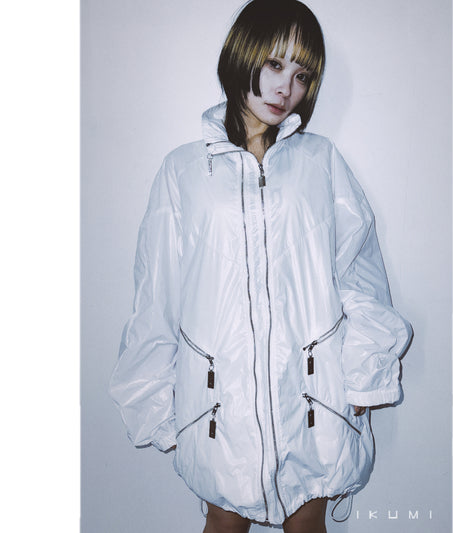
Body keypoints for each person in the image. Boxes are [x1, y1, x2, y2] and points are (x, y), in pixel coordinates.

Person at [109, 1, 412, 532]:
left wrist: (365, 374)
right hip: (218, 403)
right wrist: (155, 403)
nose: (285, 88)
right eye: (274, 64)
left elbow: (360, 274)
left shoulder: (320, 162)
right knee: (224, 525)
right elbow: (157, 294)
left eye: (302, 75)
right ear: (241, 55)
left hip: (312, 396)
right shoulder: (184, 170)